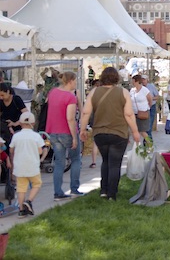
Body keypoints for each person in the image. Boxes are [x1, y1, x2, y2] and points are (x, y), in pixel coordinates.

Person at [80, 67, 141, 201]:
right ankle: (112, 194)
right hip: (119, 132)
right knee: (115, 163)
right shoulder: (123, 92)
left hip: (100, 133)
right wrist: (135, 131)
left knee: (106, 161)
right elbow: (129, 114)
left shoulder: (94, 92)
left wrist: (82, 129)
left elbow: (85, 112)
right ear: (116, 78)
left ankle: (104, 190)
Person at [45, 71, 83, 200]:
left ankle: (58, 192)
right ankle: (74, 188)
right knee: (76, 159)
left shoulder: (53, 93)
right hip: (66, 132)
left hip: (53, 131)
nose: (76, 83)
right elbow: (70, 118)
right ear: (71, 81)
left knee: (59, 162)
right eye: (75, 80)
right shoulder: (70, 97)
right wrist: (74, 137)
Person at [9, 112, 44, 218]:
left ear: (20, 123)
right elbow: (40, 151)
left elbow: (11, 150)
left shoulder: (16, 136)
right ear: (33, 123)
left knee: (21, 188)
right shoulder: (36, 136)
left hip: (20, 166)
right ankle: (29, 201)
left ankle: (21, 210)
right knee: (36, 184)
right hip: (32, 165)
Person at [130, 75, 152, 140]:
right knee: (135, 131)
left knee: (142, 131)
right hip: (134, 113)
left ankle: (150, 144)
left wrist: (148, 107)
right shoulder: (132, 90)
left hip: (143, 112)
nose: (132, 82)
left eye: (133, 81)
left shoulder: (145, 90)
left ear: (137, 81)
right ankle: (137, 146)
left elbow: (150, 99)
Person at [141, 75, 159, 140]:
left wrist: (151, 98)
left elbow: (157, 96)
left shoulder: (151, 87)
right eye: (142, 80)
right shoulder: (139, 88)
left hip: (151, 107)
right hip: (143, 108)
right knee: (144, 127)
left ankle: (148, 142)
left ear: (147, 80)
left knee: (149, 125)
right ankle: (148, 142)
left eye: (144, 79)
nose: (143, 81)